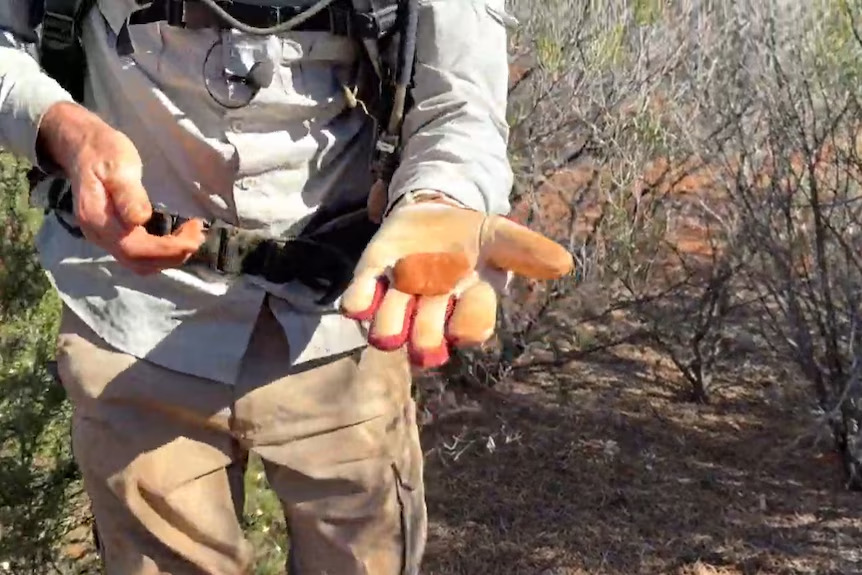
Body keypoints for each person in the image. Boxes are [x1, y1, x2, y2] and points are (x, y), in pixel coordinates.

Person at [0, 0, 572, 573]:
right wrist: (62, 130)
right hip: (129, 319)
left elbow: (459, 101)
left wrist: (443, 197)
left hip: (343, 325)